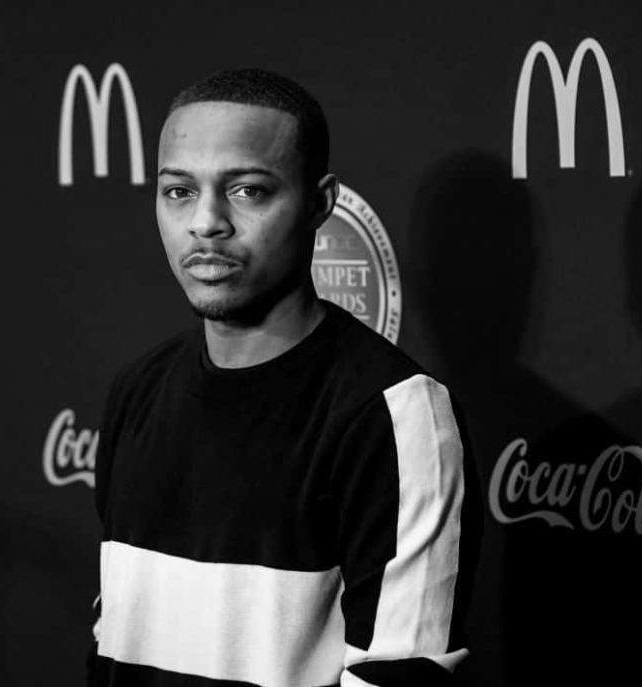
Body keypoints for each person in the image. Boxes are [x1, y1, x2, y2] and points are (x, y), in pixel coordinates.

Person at [90, 67, 470, 686]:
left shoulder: (394, 412)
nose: (206, 222)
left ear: (320, 202)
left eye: (247, 191)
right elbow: (112, 646)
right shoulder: (136, 392)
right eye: (179, 191)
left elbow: (402, 674)